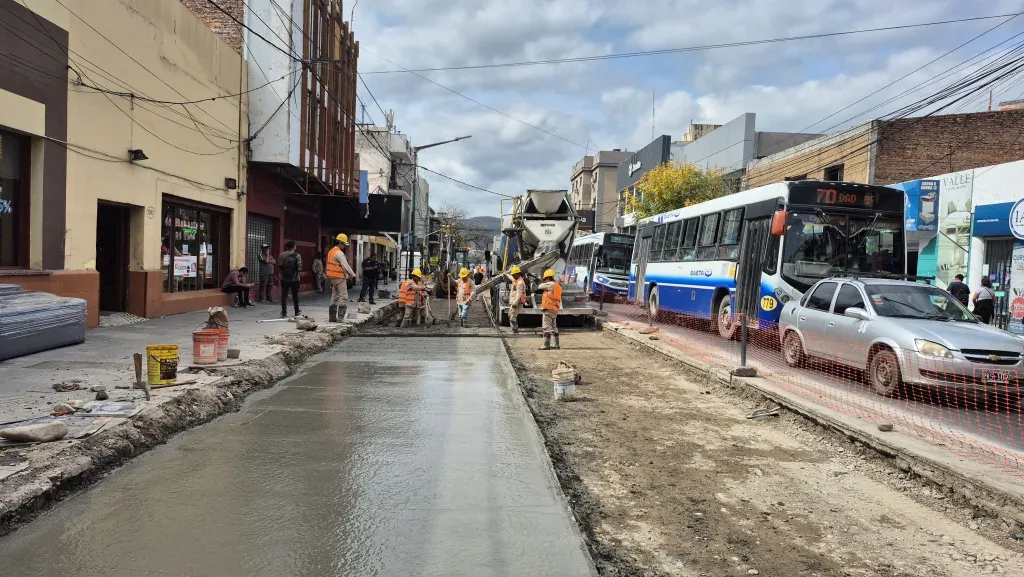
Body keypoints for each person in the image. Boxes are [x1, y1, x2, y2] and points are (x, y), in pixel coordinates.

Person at [326, 234, 357, 323]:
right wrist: (353, 275)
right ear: (340, 243)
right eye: (344, 245)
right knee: (343, 297)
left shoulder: (331, 251)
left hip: (332, 277)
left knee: (334, 296)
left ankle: (332, 318)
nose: (344, 247)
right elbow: (345, 265)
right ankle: (340, 318)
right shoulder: (339, 253)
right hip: (339, 277)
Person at [535, 269, 563, 350]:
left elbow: (539, 286)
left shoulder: (550, 284)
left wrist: (541, 282)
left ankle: (546, 345)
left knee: (546, 327)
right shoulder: (558, 286)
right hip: (554, 309)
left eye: (545, 279)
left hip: (548, 309)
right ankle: (556, 344)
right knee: (554, 327)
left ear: (547, 278)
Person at [277, 241, 303, 318]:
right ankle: (296, 311)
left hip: (284, 278)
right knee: (295, 295)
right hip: (295, 279)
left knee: (284, 296)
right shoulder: (297, 255)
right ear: (294, 246)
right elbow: (299, 267)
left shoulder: (282, 255)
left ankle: (284, 312)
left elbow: (280, 265)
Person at [507, 265, 527, 334]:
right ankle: (513, 329)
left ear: (517, 274)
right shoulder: (516, 279)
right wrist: (506, 274)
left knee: (512, 316)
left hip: (518, 302)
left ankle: (515, 330)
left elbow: (519, 294)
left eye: (513, 274)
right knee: (510, 314)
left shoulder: (520, 283)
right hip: (515, 301)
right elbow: (511, 278)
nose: (513, 276)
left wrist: (515, 303)